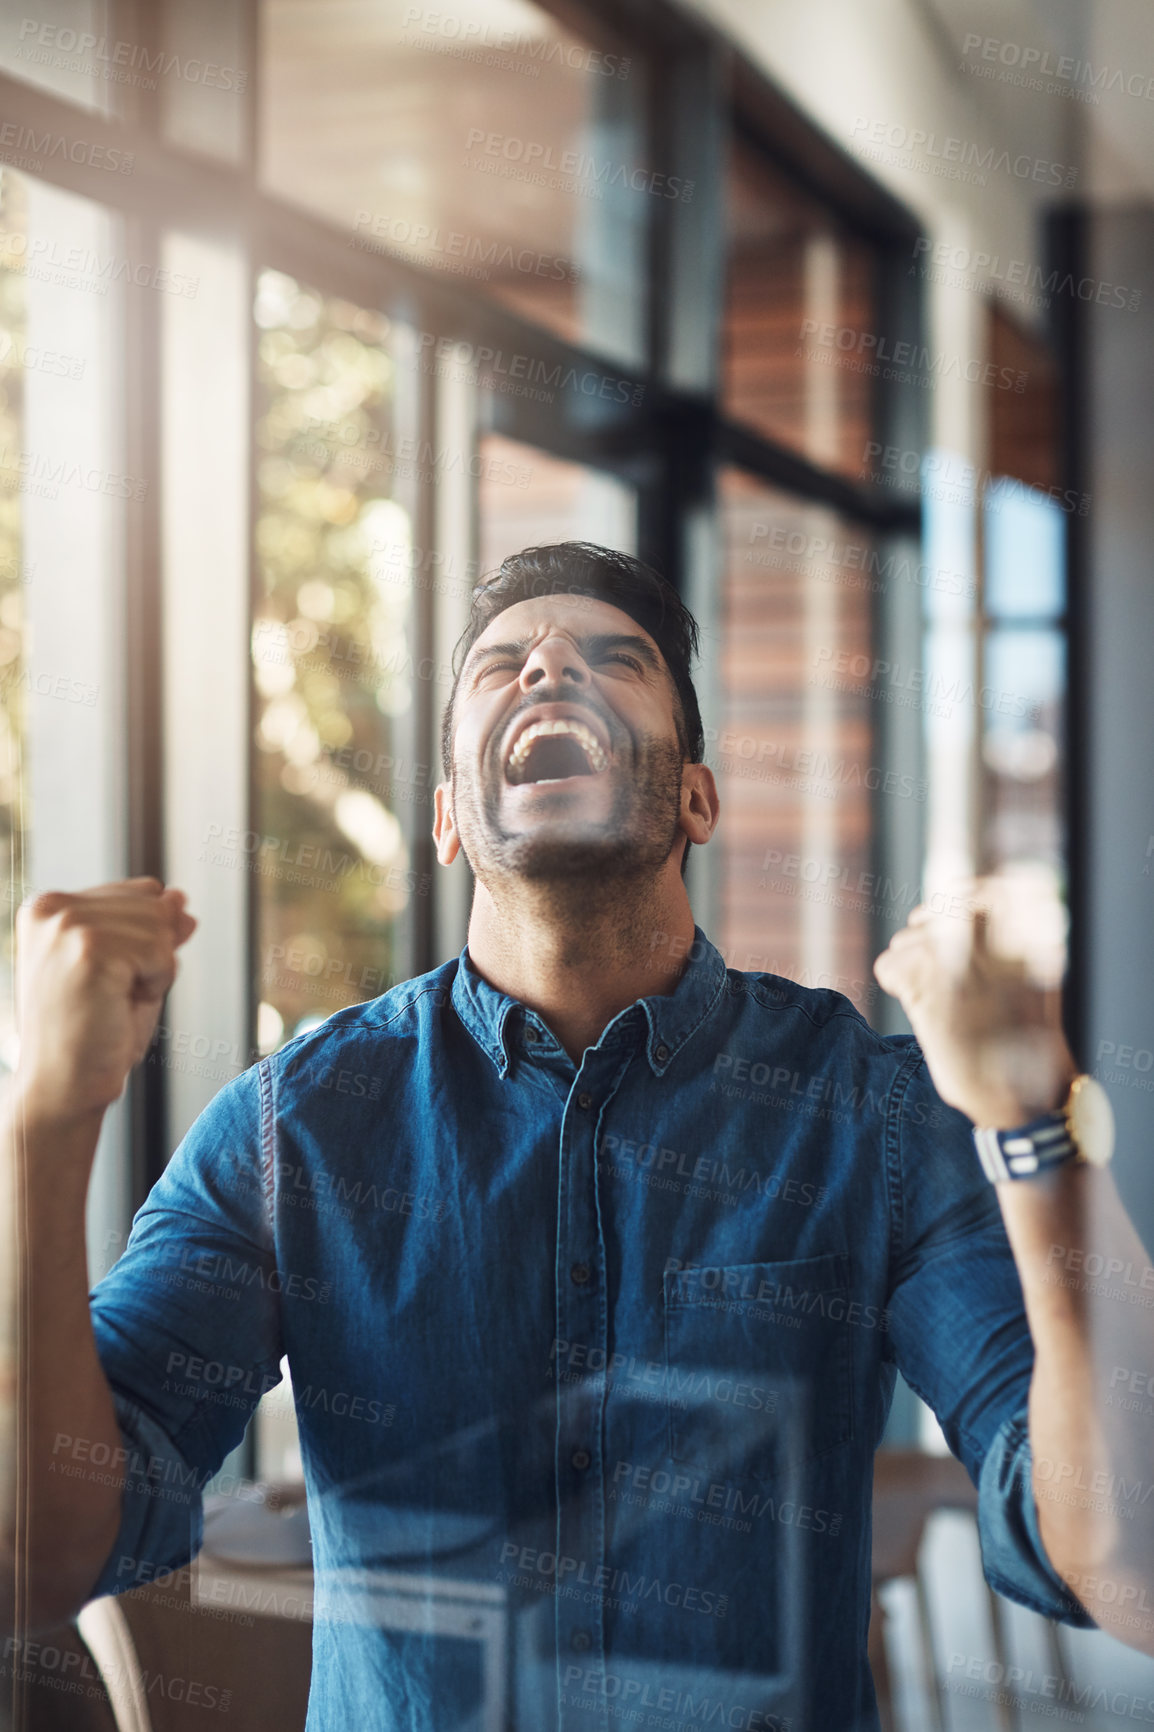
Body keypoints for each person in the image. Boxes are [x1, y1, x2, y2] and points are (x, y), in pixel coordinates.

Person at [2, 541, 1152, 1732]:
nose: (547, 665)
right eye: (502, 663)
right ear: (448, 818)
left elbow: (1129, 1566)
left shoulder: (871, 1109)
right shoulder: (293, 1127)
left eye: (614, 657)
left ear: (696, 797)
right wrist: (43, 1125)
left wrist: (1031, 1120)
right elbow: (35, 1562)